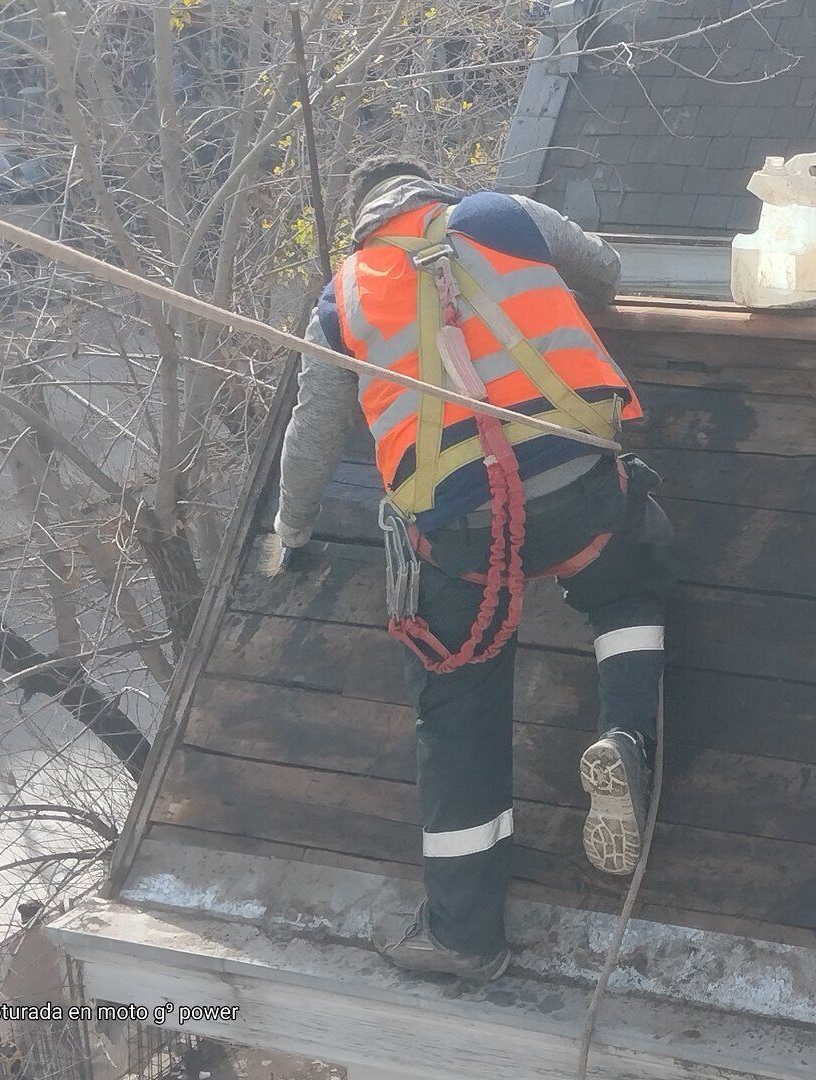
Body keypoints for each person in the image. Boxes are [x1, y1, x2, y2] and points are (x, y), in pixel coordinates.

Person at [270, 156, 674, 981]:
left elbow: (313, 432)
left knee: (458, 706)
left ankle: (464, 937)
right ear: (432, 190)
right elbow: (606, 272)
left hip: (463, 531)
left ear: (362, 220)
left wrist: (293, 528)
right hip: (579, 489)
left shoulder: (341, 296)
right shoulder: (501, 215)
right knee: (625, 582)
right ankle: (624, 735)